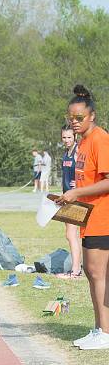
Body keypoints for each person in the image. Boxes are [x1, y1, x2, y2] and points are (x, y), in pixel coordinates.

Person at [56, 85, 109, 350]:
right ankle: (100, 327)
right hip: (88, 216)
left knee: (98, 273)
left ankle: (105, 332)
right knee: (93, 273)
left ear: (92, 116)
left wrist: (78, 192)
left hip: (103, 216)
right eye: (71, 118)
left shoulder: (100, 138)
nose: (74, 122)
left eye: (79, 118)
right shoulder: (83, 142)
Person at [56, 125, 82, 279]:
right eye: (64, 137)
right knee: (70, 234)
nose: (66, 140)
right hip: (67, 198)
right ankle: (76, 269)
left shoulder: (78, 152)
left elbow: (85, 171)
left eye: (69, 137)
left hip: (76, 198)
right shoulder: (66, 153)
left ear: (75, 137)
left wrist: (78, 185)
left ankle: (76, 271)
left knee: (71, 234)